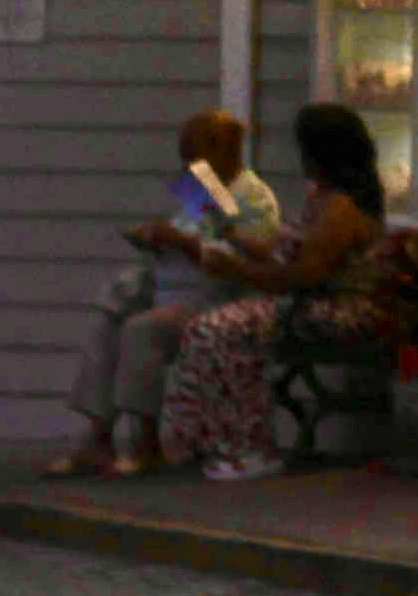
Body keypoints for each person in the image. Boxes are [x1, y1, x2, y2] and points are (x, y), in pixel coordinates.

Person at [155, 102, 392, 481]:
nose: (190, 161)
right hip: (285, 298)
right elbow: (262, 243)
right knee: (205, 325)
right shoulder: (319, 197)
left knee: (219, 329)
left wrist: (234, 265)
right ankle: (201, 438)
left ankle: (246, 445)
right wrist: (226, 239)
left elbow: (303, 276)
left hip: (333, 309)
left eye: (197, 151)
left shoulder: (308, 204)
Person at [52, 108, 279, 478]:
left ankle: (145, 444)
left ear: (226, 150)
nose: (190, 166)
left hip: (212, 299)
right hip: (170, 288)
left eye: (196, 156)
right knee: (110, 320)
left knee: (142, 330)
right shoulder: (204, 190)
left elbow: (244, 257)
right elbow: (192, 233)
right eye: (186, 158)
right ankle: (98, 437)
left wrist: (182, 242)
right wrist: (156, 239)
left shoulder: (253, 198)